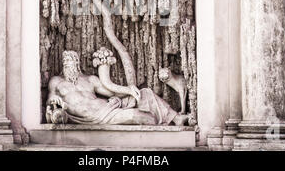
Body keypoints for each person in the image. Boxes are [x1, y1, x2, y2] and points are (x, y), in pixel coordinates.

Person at [47, 51, 189, 126]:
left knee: (145, 93)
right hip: (95, 117)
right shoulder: (57, 81)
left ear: (77, 64)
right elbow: (50, 101)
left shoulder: (90, 79)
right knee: (142, 116)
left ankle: (176, 118)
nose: (69, 65)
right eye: (66, 62)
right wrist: (53, 100)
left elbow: (111, 91)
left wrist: (128, 90)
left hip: (109, 106)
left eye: (72, 62)